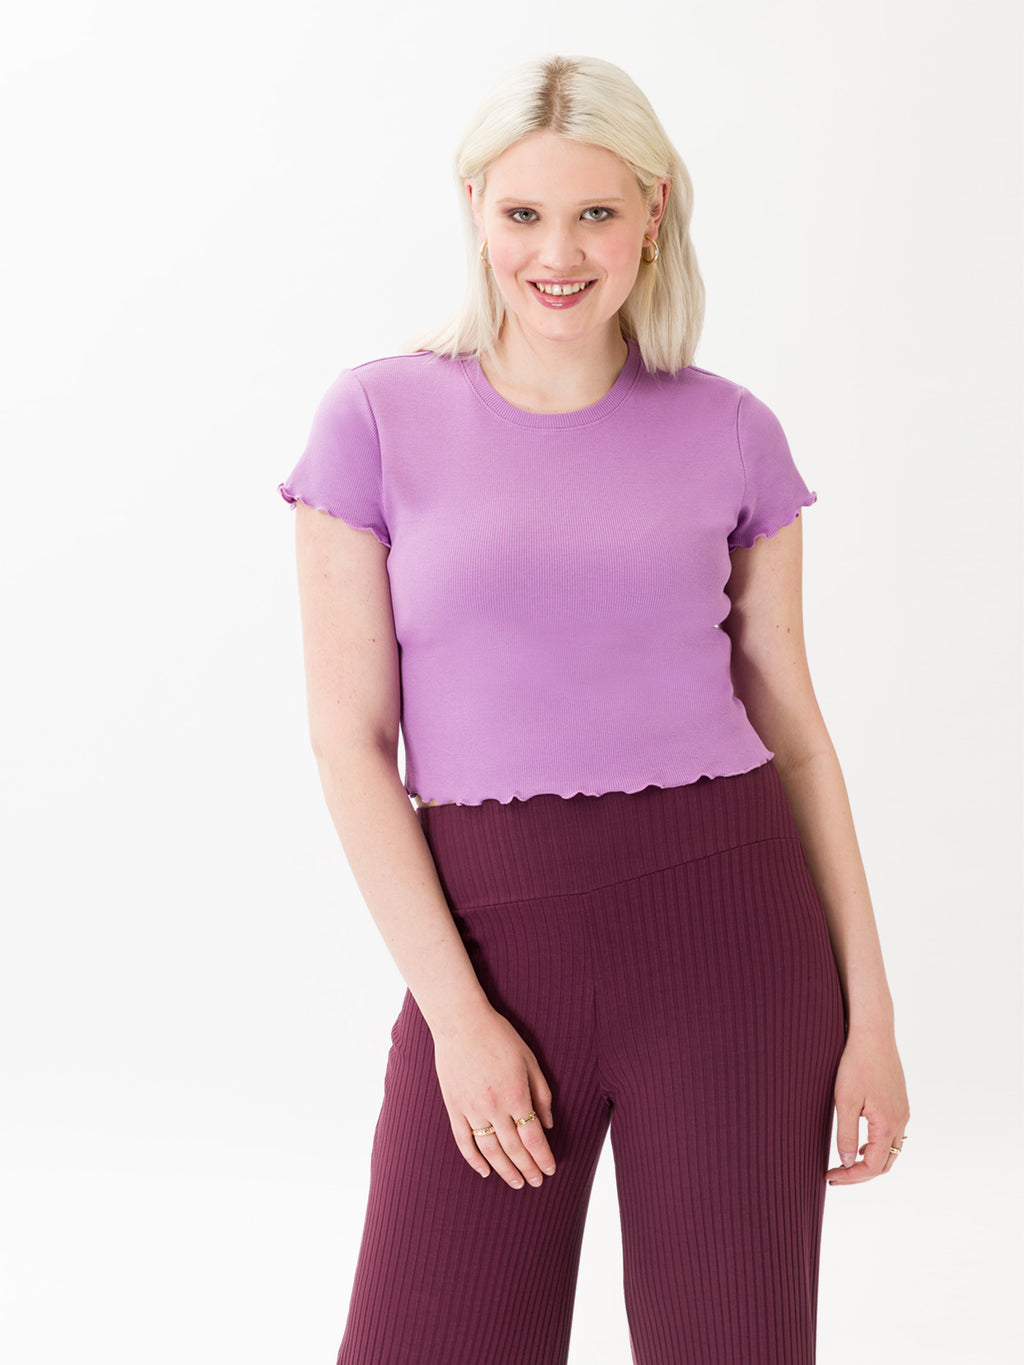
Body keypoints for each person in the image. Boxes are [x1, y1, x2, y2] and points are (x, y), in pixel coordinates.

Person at [278, 53, 910, 1365]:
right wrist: (459, 1018)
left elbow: (796, 730)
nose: (557, 253)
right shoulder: (376, 419)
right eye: (523, 213)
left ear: (653, 213)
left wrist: (873, 1019)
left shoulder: (732, 431)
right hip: (493, 944)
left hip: (731, 937)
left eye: (596, 214)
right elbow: (351, 742)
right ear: (474, 207)